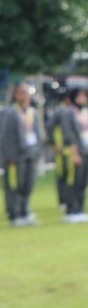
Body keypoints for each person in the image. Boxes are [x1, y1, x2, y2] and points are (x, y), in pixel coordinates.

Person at [0, 82, 40, 226]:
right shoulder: (9, 112)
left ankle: (24, 211)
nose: (25, 96)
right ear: (15, 95)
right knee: (14, 185)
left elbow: (36, 134)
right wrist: (8, 156)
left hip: (30, 154)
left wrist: (37, 152)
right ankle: (14, 214)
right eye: (22, 92)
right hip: (15, 157)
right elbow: (5, 136)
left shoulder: (32, 112)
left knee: (27, 185)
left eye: (27, 93)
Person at [58, 86, 88, 223]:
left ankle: (80, 209)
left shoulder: (86, 112)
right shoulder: (68, 112)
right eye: (80, 95)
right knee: (73, 181)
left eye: (84, 95)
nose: (83, 98)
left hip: (86, 150)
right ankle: (71, 210)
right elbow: (68, 134)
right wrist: (74, 153)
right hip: (75, 152)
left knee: (83, 182)